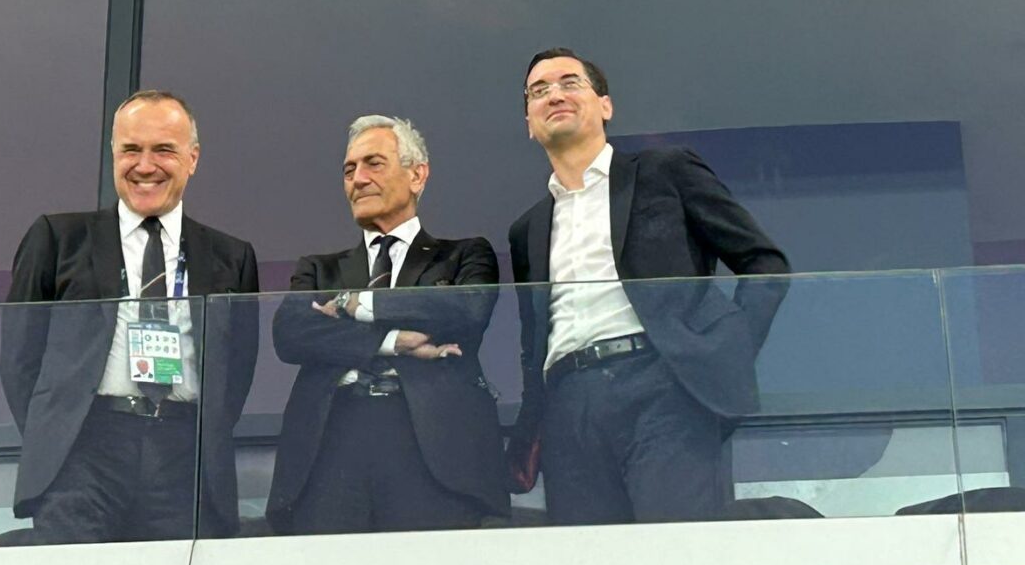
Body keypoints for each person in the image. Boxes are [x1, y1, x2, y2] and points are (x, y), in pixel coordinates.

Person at [508, 49, 789, 525]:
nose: (554, 95)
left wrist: (726, 349)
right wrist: (531, 425)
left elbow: (764, 263)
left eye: (570, 83)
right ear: (530, 124)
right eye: (539, 91)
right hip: (568, 404)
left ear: (605, 105)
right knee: (589, 560)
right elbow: (533, 339)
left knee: (673, 547)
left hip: (661, 385)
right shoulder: (528, 228)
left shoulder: (665, 171)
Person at [0, 90, 258, 542]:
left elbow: (236, 372)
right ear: (113, 155)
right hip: (85, 450)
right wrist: (59, 433)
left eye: (164, 150)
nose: (145, 165)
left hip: (184, 456)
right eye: (131, 150)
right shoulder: (59, 239)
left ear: (193, 158)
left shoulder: (231, 256)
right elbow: (20, 359)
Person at [266, 115, 509, 534]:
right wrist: (391, 340)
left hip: (433, 449)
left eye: (373, 163)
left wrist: (357, 304)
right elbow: (290, 333)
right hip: (331, 444)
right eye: (349, 170)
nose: (358, 179)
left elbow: (466, 309)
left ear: (417, 175)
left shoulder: (464, 255)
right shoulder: (320, 268)